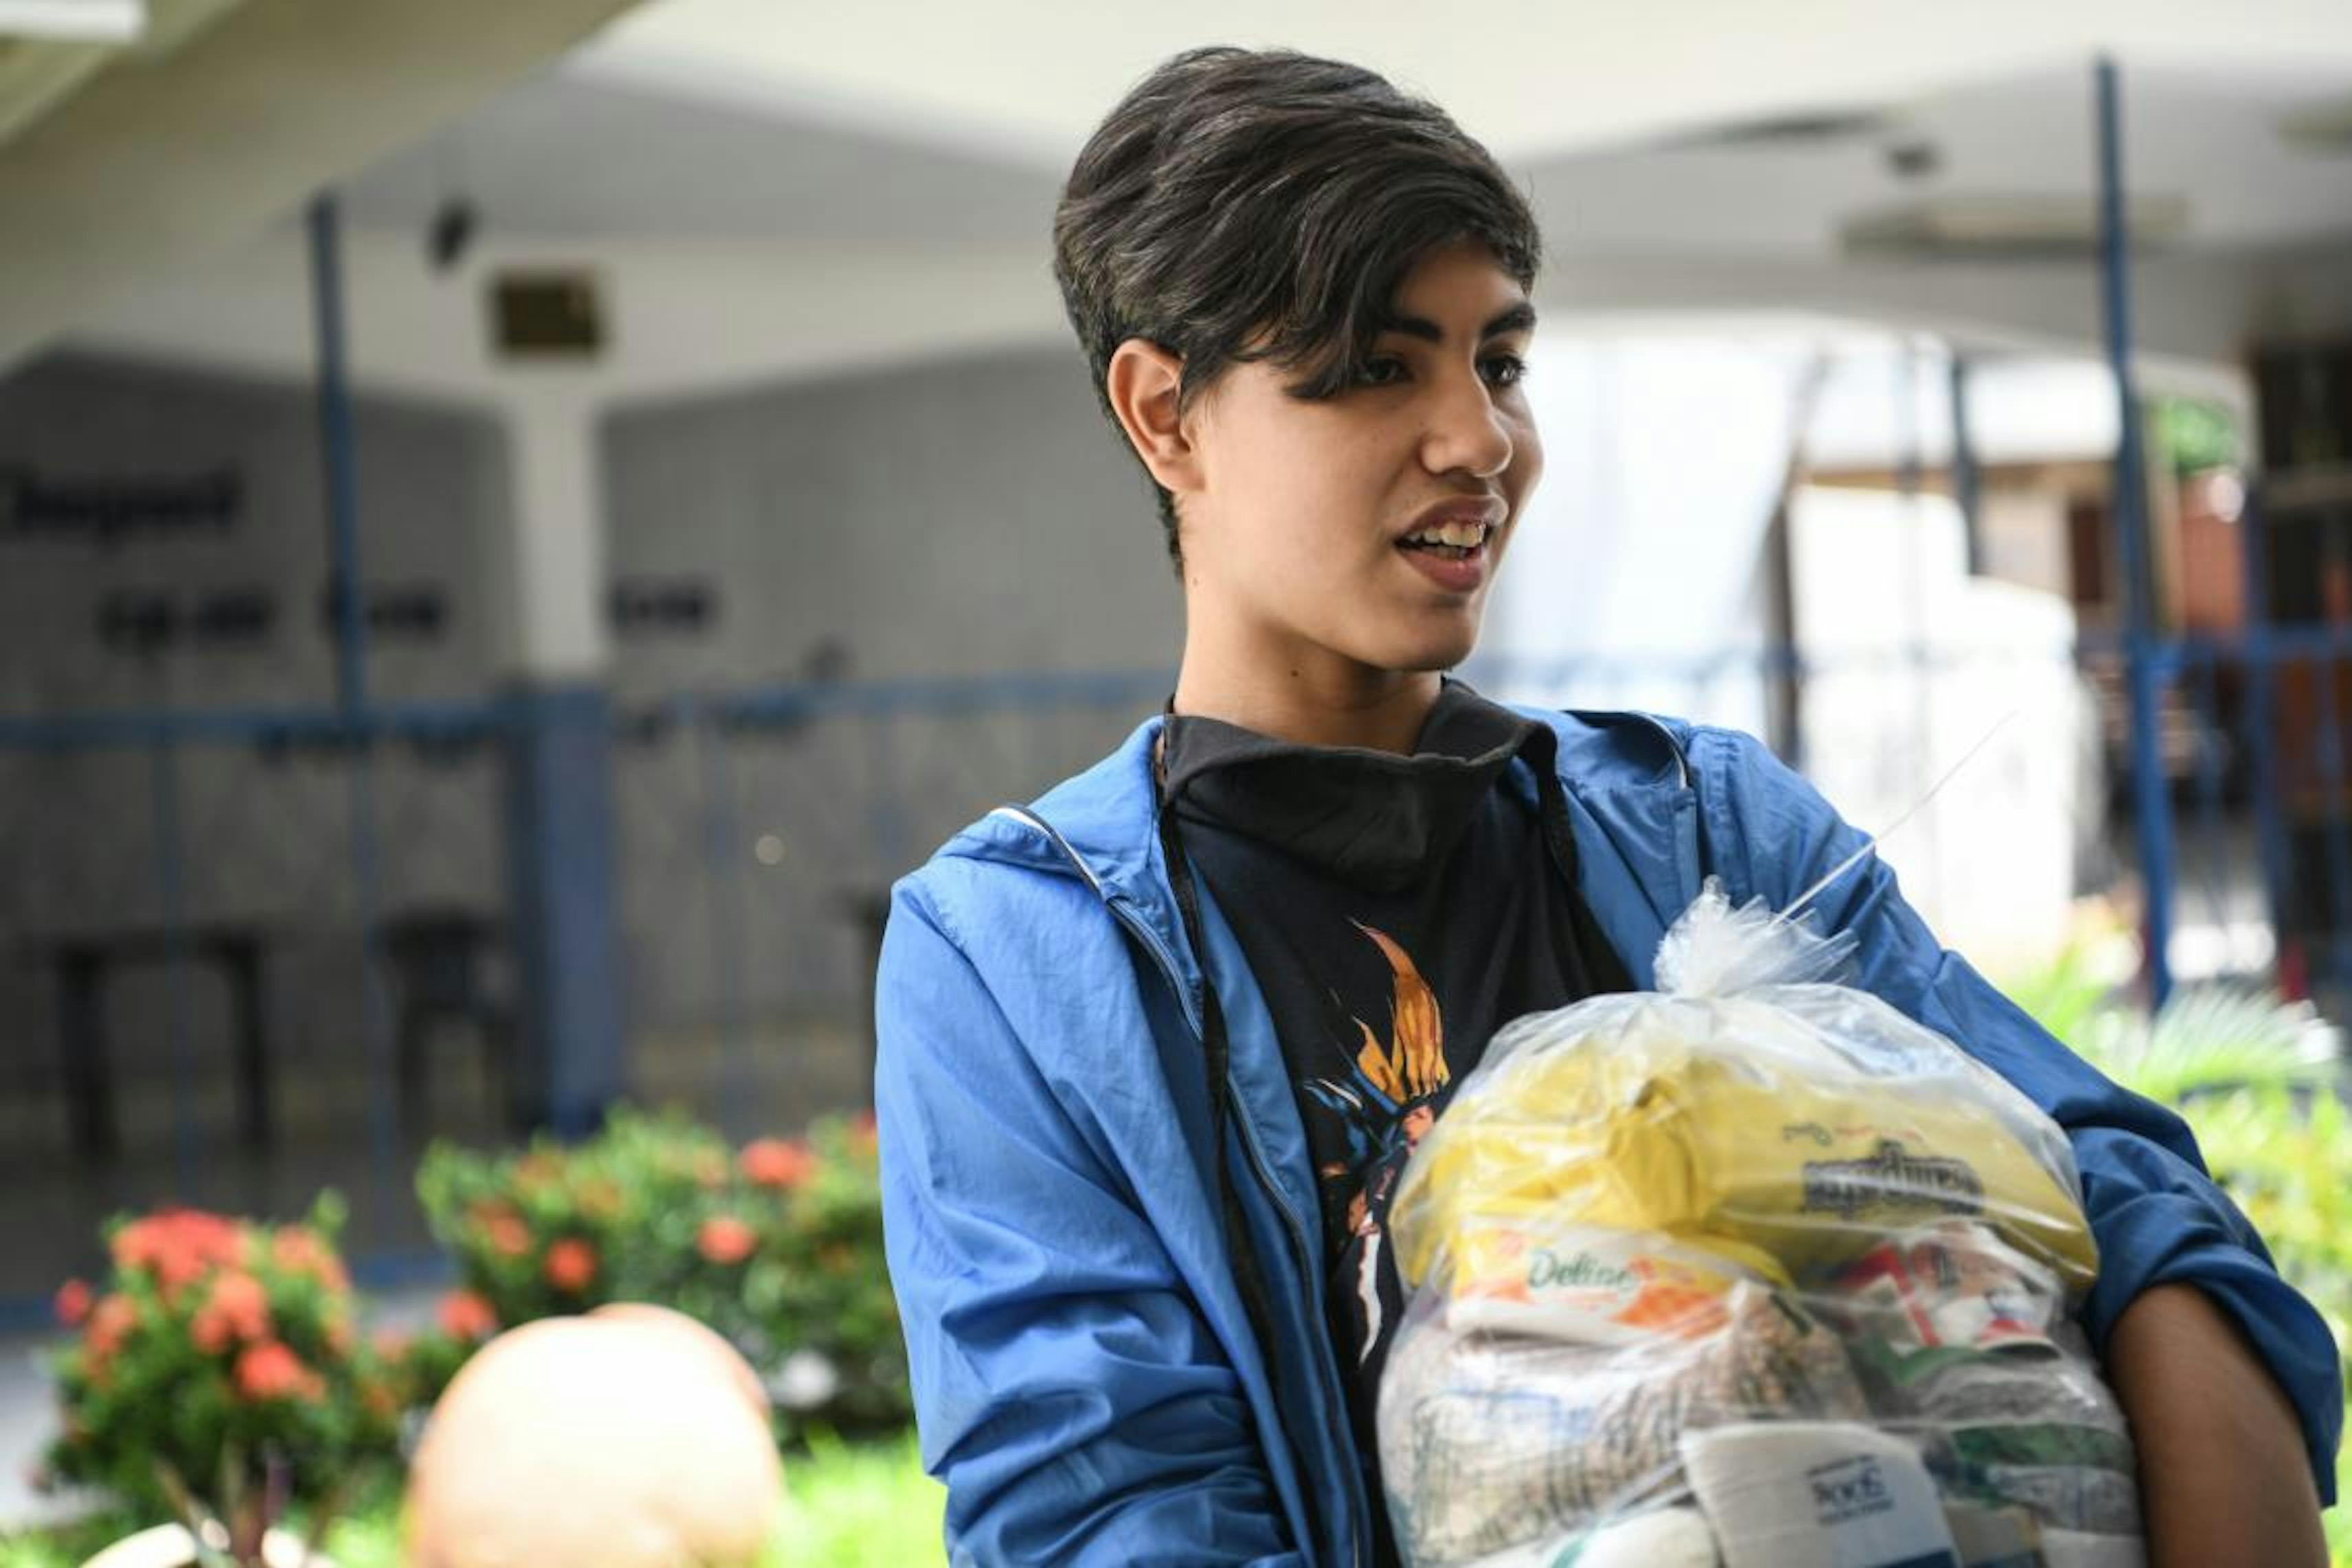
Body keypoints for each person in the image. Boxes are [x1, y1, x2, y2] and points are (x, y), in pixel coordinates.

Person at [874, 44, 2340, 1567]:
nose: (1481, 439)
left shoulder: (1708, 834)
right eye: (1383, 366)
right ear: (1166, 415)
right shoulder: (1022, 960)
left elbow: (2106, 1197)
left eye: (1498, 362)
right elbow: (1105, 1504)